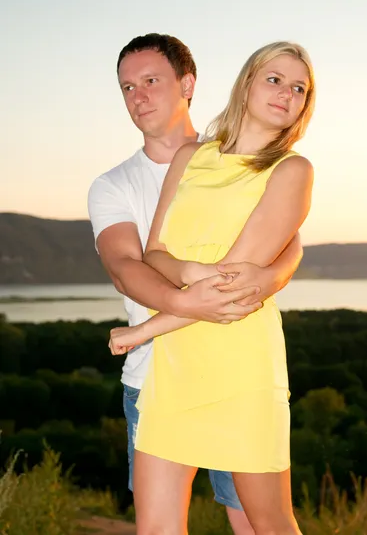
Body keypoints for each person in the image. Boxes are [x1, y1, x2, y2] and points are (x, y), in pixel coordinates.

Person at [89, 33, 304, 535]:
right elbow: (130, 265)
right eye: (127, 87)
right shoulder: (115, 184)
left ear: (187, 84)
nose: (138, 96)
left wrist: (270, 275)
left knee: (256, 522)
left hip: (236, 361)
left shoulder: (262, 164)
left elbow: (288, 244)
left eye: (150, 81)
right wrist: (187, 289)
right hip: (156, 375)